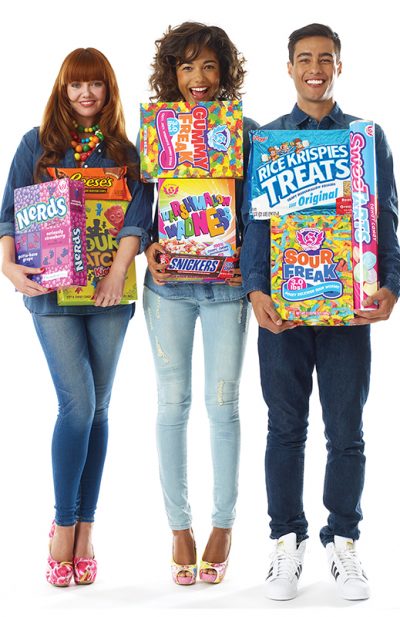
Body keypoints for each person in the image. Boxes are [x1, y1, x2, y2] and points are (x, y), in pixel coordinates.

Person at [241, 23, 400, 601]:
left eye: (325, 58)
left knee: (346, 432)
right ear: (289, 67)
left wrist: (391, 285)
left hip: (346, 314)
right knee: (285, 429)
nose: (315, 68)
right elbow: (255, 222)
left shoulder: (366, 138)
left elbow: (386, 218)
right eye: (305, 58)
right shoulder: (269, 139)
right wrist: (254, 290)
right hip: (283, 313)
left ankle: (344, 540)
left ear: (339, 65)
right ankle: (287, 541)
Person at [0, 48, 153, 587]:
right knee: (78, 405)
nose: (86, 94)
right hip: (51, 293)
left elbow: (138, 218)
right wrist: (8, 267)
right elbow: (8, 213)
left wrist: (117, 273)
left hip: (110, 293)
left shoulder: (126, 153)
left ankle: (86, 530)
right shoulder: (36, 144)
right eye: (75, 84)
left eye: (96, 84)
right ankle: (63, 527)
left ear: (109, 90)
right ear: (62, 89)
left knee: (99, 409)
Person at [143, 22, 258, 585]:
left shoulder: (245, 131)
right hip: (168, 285)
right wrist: (149, 245)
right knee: (172, 404)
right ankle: (178, 527)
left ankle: (223, 524)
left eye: (209, 65)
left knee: (223, 406)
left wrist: (248, 262)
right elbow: (140, 202)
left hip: (226, 287)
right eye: (186, 66)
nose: (198, 77)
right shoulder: (158, 128)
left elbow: (261, 210)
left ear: (225, 72)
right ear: (172, 73)